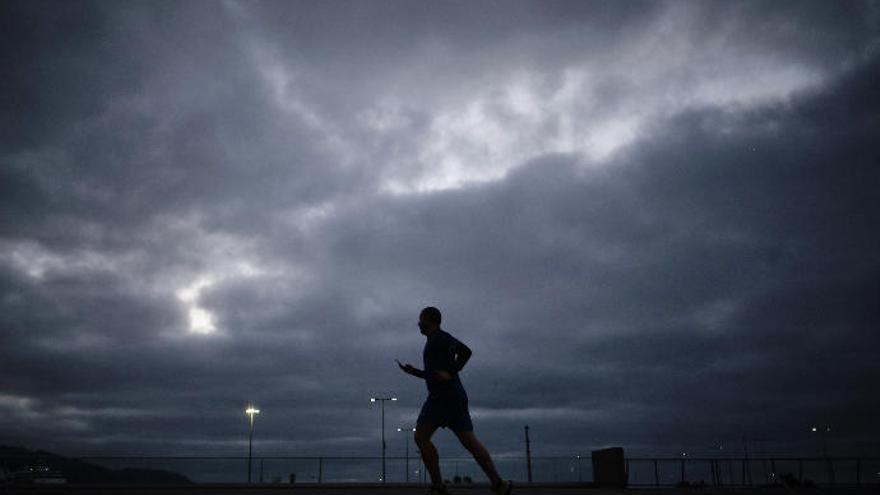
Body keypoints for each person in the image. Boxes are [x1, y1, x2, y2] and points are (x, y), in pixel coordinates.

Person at [398, 306, 512, 495]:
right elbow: (441, 371)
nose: (418, 323)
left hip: (442, 398)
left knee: (421, 437)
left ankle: (438, 486)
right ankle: (498, 484)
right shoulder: (438, 339)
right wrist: (415, 372)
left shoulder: (439, 338)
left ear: (430, 320)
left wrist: (450, 372)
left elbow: (464, 353)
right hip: (453, 397)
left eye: (421, 319)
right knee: (470, 442)